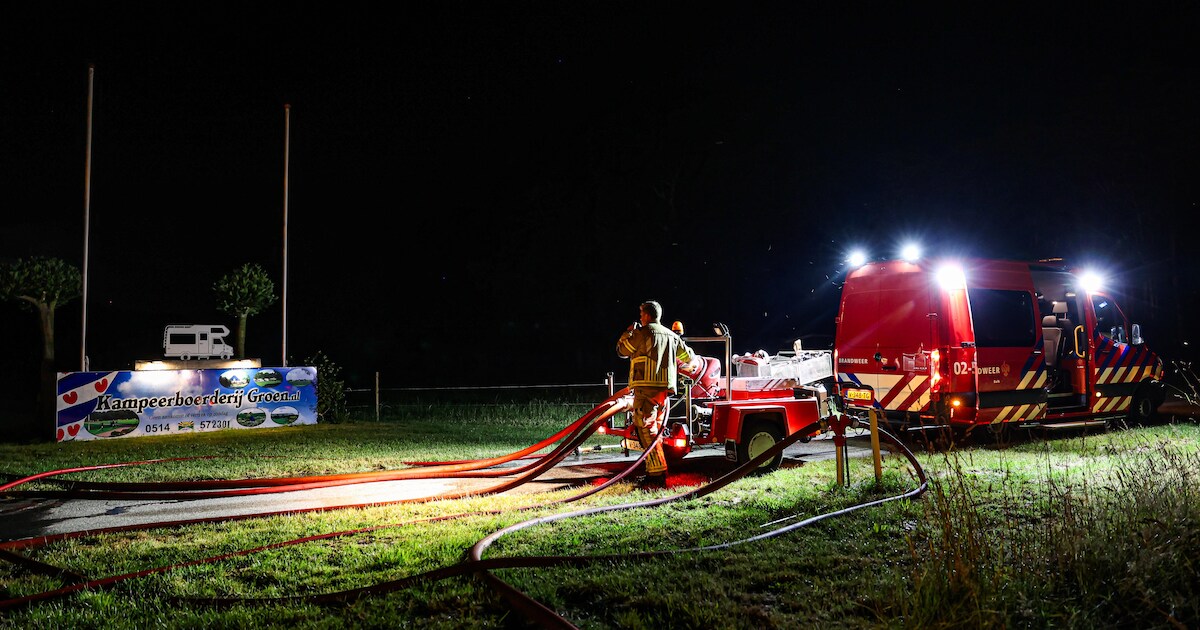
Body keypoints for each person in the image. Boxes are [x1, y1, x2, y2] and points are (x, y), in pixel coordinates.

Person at [616, 300, 695, 489]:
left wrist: (628, 333)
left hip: (645, 390)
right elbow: (689, 356)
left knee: (645, 429)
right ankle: (657, 470)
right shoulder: (672, 336)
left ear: (647, 315)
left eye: (641, 314)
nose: (640, 318)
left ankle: (657, 474)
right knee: (654, 430)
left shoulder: (641, 333)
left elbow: (621, 351)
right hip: (663, 393)